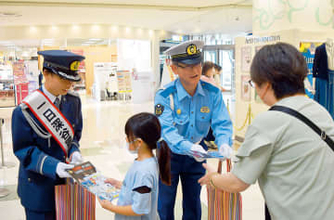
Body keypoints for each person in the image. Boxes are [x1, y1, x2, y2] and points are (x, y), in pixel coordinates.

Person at [199, 42, 334, 220]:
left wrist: (213, 178)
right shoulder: (321, 112)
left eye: (255, 84)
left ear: (267, 85)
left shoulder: (268, 121)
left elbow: (237, 182)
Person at [155, 40, 233, 220]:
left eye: (197, 64)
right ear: (175, 69)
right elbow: (166, 130)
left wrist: (224, 143)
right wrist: (188, 147)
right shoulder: (165, 95)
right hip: (169, 155)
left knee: (193, 202)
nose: (195, 71)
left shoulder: (212, 92)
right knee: (165, 203)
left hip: (198, 153)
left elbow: (222, 123)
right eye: (187, 66)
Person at [12, 50, 85, 220]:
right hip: (38, 189)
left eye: (71, 80)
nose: (68, 85)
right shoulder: (26, 110)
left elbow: (74, 135)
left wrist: (74, 152)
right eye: (63, 79)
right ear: (46, 73)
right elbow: (24, 150)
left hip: (66, 185)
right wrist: (55, 166)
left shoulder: (73, 101)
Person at [98, 112, 171, 220]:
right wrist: (119, 184)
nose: (126, 140)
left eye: (128, 137)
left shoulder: (144, 171)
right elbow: (138, 187)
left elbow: (138, 209)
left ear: (139, 142)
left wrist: (110, 207)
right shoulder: (146, 161)